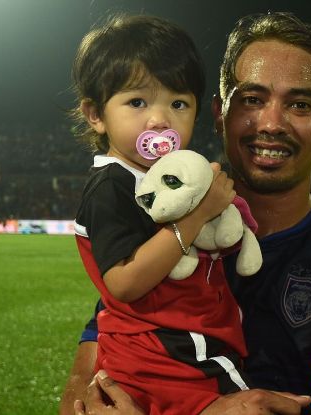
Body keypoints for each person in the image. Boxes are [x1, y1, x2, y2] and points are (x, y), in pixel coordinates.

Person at [61, 11, 311, 415]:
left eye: (299, 104)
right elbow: (82, 395)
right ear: (218, 113)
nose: (271, 123)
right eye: (252, 99)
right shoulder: (159, 226)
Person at [69, 14, 256, 415]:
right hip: (172, 352)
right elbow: (122, 282)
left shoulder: (159, 173)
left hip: (162, 349)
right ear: (95, 114)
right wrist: (197, 216)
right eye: (137, 102)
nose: (159, 119)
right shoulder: (112, 185)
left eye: (178, 103)